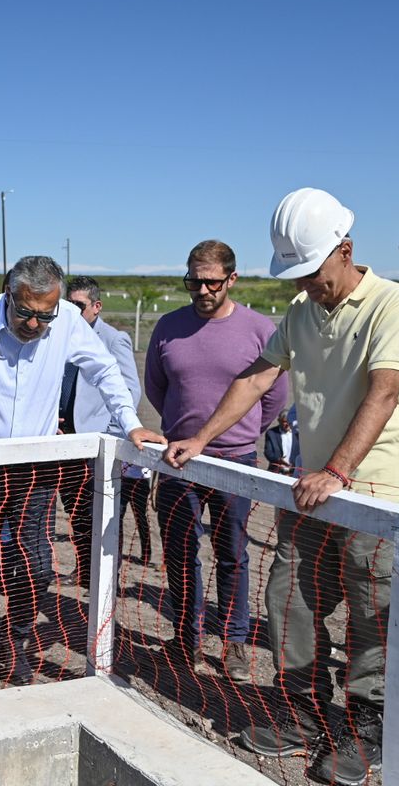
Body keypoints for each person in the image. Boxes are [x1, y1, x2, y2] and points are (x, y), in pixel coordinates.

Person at [165, 188, 399, 785]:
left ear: (347, 250)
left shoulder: (394, 303)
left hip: (378, 492)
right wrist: (202, 437)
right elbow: (258, 378)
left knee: (372, 612)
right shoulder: (303, 313)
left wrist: (337, 470)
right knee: (288, 597)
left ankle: (368, 727)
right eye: (298, 275)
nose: (307, 285)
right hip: (315, 487)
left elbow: (384, 390)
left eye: (314, 272)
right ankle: (302, 712)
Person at [0, 255, 166, 689]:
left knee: (34, 565)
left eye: (44, 316)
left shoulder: (68, 319)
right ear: (7, 294)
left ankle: (16, 642)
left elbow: (105, 369)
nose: (35, 325)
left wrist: (129, 422)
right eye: (25, 313)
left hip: (37, 464)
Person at [146, 240, 287, 683]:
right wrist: (181, 430)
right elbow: (156, 387)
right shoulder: (168, 327)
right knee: (181, 552)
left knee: (233, 556)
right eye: (194, 281)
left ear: (231, 278)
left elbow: (273, 395)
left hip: (234, 462)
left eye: (211, 281)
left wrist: (241, 434)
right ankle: (185, 638)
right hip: (178, 460)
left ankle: (234, 642)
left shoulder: (259, 329)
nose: (202, 290)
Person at [56, 275, 143, 587]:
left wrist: (106, 432)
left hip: (96, 445)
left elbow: (131, 391)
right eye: (69, 305)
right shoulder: (62, 335)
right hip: (65, 442)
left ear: (96, 306)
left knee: (102, 514)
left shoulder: (113, 339)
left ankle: (105, 577)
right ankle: (84, 570)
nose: (74, 311)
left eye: (79, 305)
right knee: (76, 512)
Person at [264, 410, 299, 475]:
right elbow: (268, 452)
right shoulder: (271, 433)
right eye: (285, 422)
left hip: (293, 473)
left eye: (289, 422)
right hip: (276, 471)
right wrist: (279, 460)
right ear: (279, 421)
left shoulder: (297, 434)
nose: (287, 424)